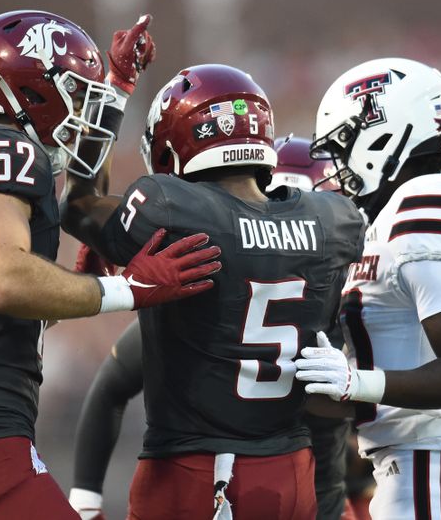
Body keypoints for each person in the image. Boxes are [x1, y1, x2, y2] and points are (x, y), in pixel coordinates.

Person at [0, 10, 222, 520]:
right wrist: (129, 288)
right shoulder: (3, 147)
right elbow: (1, 281)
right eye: (77, 95)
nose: (80, 114)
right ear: (32, 91)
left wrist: (118, 88)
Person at [61, 66, 366, 519]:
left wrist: (116, 90)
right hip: (292, 473)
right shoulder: (333, 219)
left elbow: (77, 204)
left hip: (199, 471)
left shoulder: (173, 210)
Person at [294, 57, 441, 519]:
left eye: (344, 146)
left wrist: (355, 382)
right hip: (414, 465)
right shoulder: (394, 215)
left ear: (382, 132)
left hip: (439, 466)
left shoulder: (432, 200)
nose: (339, 167)